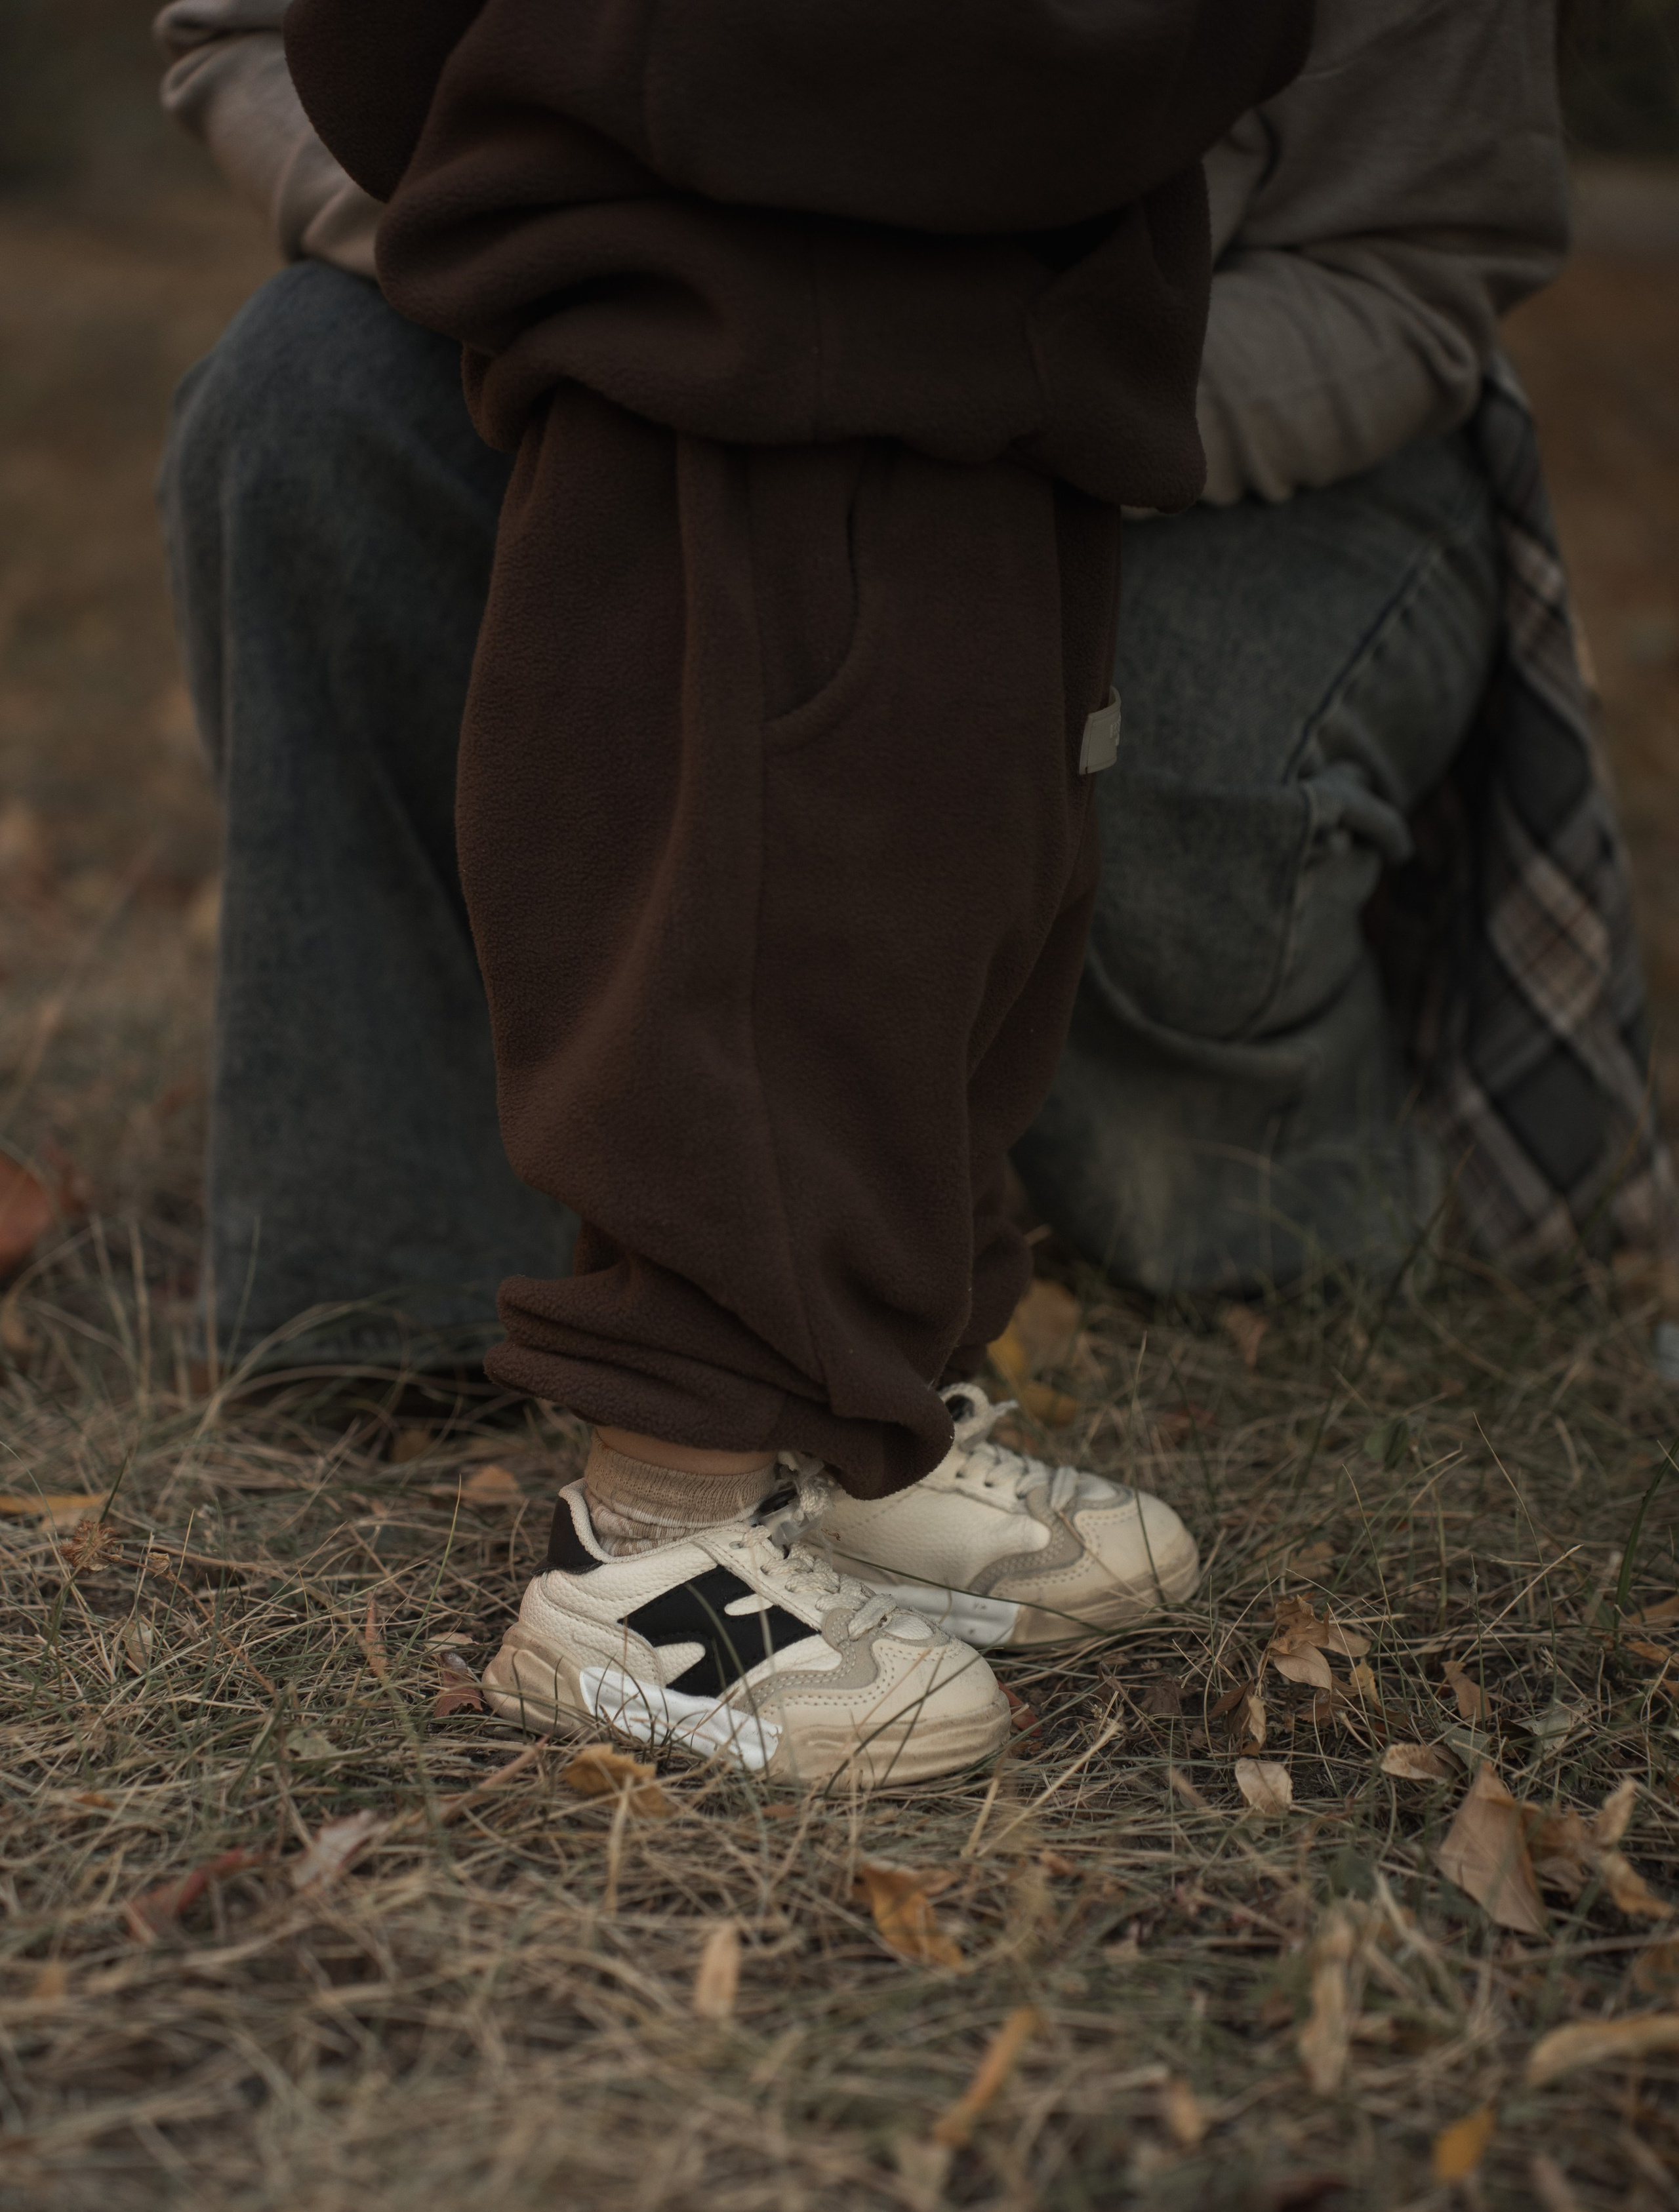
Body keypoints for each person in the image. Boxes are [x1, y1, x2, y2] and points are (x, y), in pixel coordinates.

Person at [152, 0, 1668, 1786]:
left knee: (971, 870)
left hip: (993, 336)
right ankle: (646, 1543)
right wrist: (597, 258)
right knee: (753, 909)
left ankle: (853, 1426)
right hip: (708, 336)